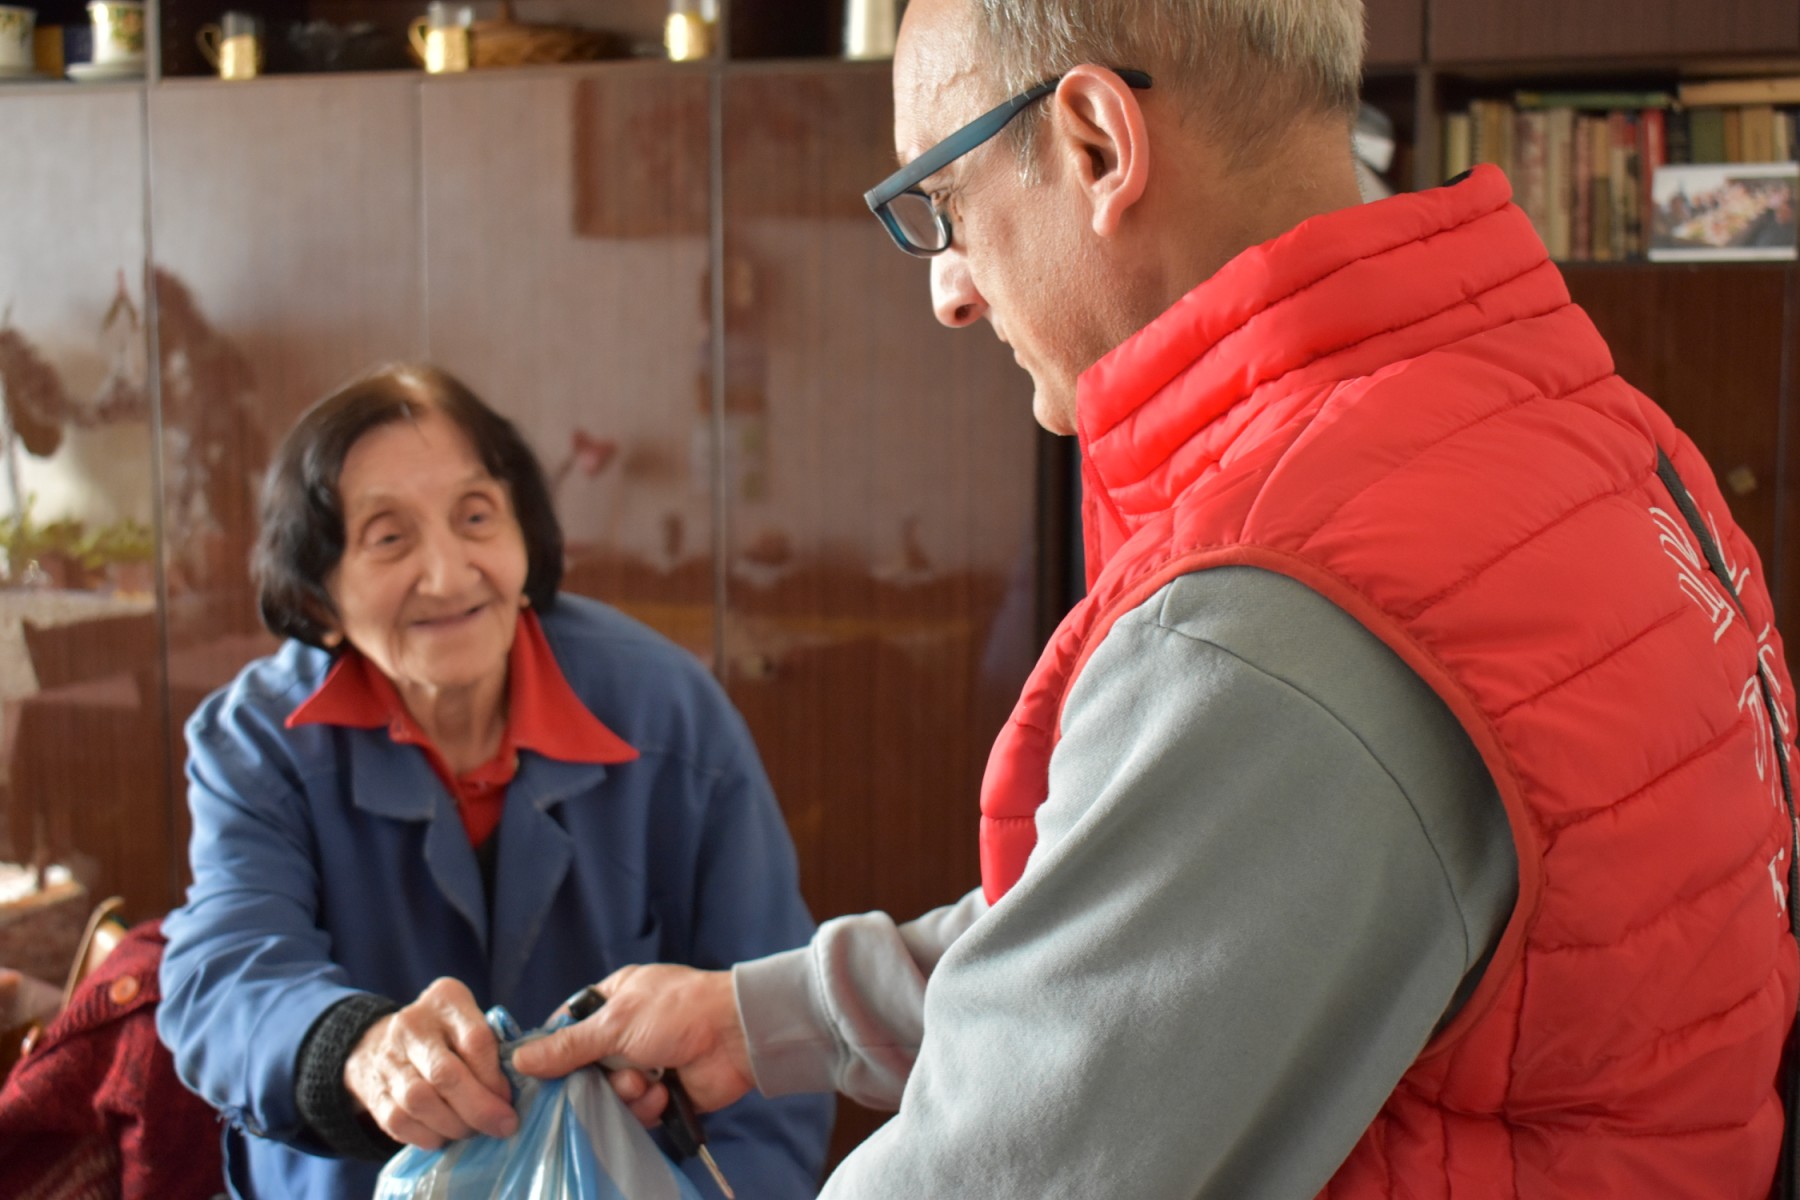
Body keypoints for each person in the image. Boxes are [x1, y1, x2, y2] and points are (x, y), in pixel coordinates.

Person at [514, 0, 1800, 1196]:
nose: (948, 289)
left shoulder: (1285, 615)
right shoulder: (1569, 425)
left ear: (1094, 142)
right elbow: (1170, 910)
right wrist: (768, 1017)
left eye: (942, 200)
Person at [156, 364, 832, 1198]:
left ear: (526, 539)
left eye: (476, 518)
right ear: (318, 597)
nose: (448, 574)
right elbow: (226, 971)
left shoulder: (667, 710)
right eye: (388, 537)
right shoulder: (258, 740)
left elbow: (770, 1007)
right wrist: (359, 1051)